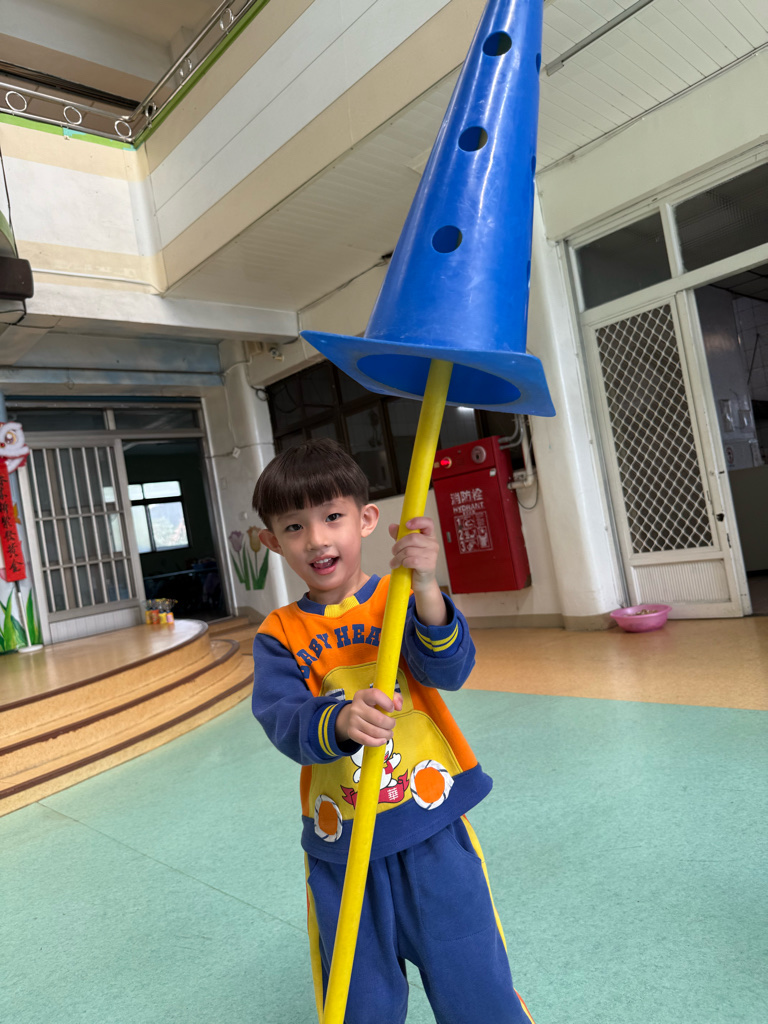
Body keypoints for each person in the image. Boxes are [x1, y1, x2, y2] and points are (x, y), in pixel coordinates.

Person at [251, 438, 534, 1024]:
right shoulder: (278, 634)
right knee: (359, 1003)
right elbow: (282, 719)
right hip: (342, 845)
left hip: (432, 828)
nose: (317, 539)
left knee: (477, 987)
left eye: (333, 516)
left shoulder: (396, 596)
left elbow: (450, 670)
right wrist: (337, 719)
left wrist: (426, 587)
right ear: (272, 542)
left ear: (366, 519)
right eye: (295, 526)